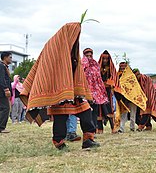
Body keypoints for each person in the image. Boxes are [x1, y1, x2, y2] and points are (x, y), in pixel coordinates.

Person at [20, 22, 99, 150]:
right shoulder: (53, 46)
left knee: (86, 113)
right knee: (60, 117)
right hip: (58, 90)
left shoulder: (72, 49)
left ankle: (88, 140)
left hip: (74, 91)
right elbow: (45, 68)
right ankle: (59, 143)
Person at [82, 48, 110, 135]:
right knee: (86, 113)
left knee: (94, 112)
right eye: (87, 55)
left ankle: (93, 131)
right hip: (85, 93)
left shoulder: (95, 65)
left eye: (90, 55)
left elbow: (99, 79)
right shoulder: (81, 65)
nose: (89, 57)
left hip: (96, 93)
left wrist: (101, 91)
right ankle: (87, 132)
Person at [98, 50, 120, 134]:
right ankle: (99, 129)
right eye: (103, 59)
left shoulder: (111, 69)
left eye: (106, 59)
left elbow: (114, 78)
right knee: (99, 109)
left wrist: (109, 83)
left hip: (107, 91)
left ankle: (113, 128)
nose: (105, 61)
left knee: (109, 108)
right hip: (99, 91)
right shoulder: (97, 67)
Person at [0, 51, 12, 133]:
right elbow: (2, 79)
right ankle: (1, 127)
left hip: (2, 91)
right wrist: (6, 89)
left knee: (2, 108)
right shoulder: (1, 66)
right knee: (5, 108)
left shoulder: (4, 66)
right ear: (5, 57)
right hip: (2, 92)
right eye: (10, 57)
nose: (11, 59)